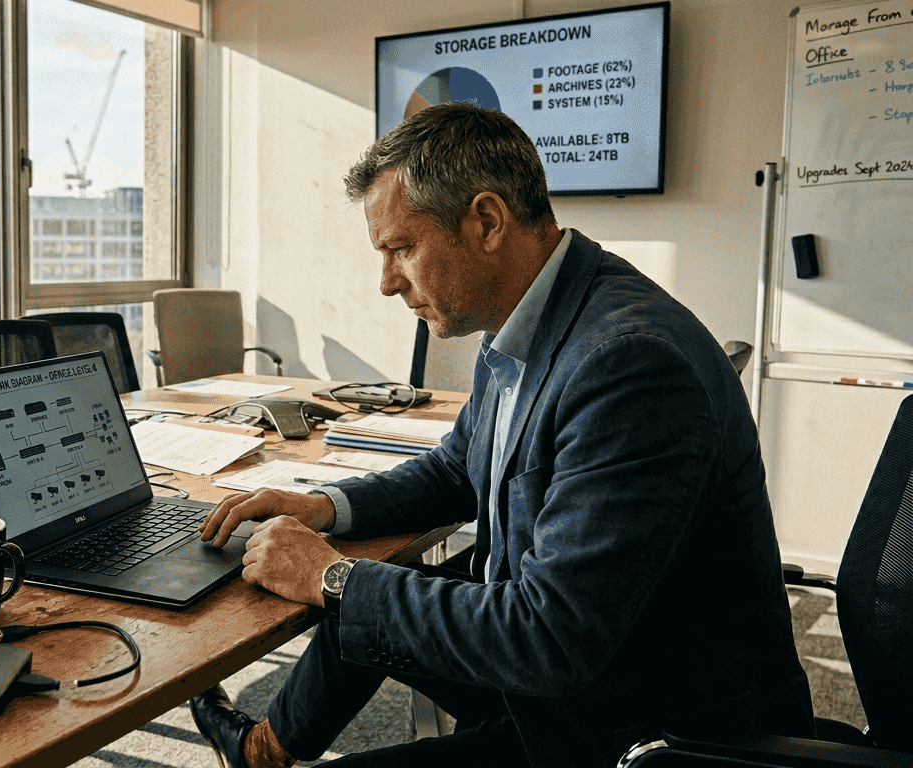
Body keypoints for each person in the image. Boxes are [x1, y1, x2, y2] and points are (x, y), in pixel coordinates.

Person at [188, 102, 814, 768]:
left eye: (401, 248)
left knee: (356, 592)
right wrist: (325, 507)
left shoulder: (627, 362)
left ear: (487, 221)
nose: (386, 283)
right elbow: (457, 469)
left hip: (637, 726)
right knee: (362, 599)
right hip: (584, 664)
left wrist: (334, 578)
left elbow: (551, 640)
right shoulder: (529, 319)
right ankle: (262, 750)